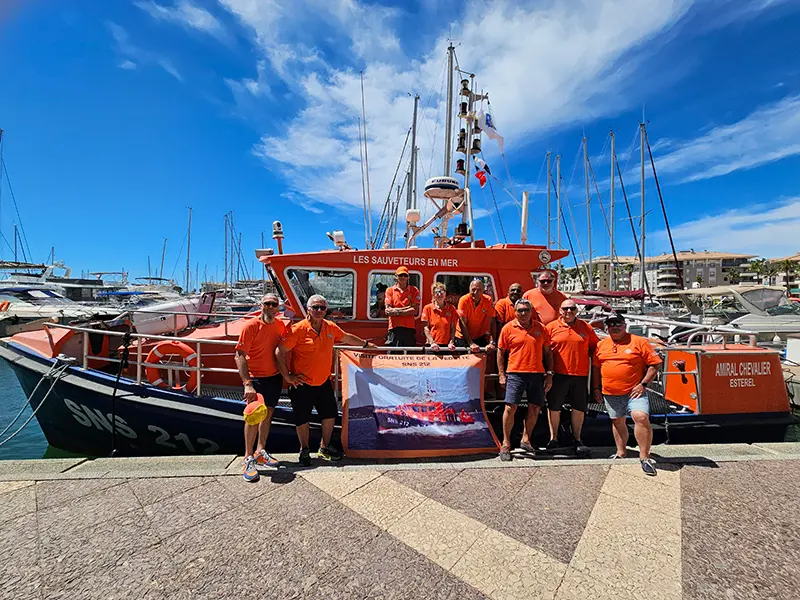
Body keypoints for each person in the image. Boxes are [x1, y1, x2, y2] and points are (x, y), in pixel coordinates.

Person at [276, 294, 374, 466]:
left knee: (329, 416)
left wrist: (365, 345)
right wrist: (288, 376)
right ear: (308, 309)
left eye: (322, 308)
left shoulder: (330, 327)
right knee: (302, 419)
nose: (319, 311)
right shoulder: (298, 329)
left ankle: (324, 447)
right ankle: (304, 449)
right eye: (315, 307)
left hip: (323, 382)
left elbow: (347, 337)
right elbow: (280, 351)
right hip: (302, 384)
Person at [592, 314, 662, 476]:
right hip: (609, 392)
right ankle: (621, 452)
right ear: (606, 328)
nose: (614, 327)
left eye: (618, 324)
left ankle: (645, 457)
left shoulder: (639, 342)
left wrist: (643, 384)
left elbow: (655, 364)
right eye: (610, 325)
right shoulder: (601, 345)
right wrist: (596, 388)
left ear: (625, 325)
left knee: (641, 417)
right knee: (617, 421)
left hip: (634, 391)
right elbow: (596, 368)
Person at [235, 293, 285, 482]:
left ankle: (260, 451)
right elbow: (239, 355)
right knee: (253, 416)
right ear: (261, 305)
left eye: (274, 304)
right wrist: (247, 383)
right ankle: (248, 457)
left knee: (268, 414)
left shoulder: (280, 325)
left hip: (273, 378)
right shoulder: (251, 326)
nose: (271, 307)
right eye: (267, 303)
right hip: (255, 379)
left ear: (278, 307)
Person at [497, 298, 553, 461]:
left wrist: (549, 374)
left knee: (535, 408)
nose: (523, 313)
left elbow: (548, 353)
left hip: (537, 374)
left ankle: (526, 440)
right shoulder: (508, 328)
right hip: (515, 373)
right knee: (510, 408)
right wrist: (502, 374)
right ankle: (506, 443)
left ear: (531, 312)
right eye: (520, 310)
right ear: (515, 312)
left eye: (526, 310)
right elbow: (501, 352)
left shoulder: (541, 328)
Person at [545, 298, 599, 455]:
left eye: (572, 309)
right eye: (566, 308)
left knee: (579, 408)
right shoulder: (551, 327)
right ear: (560, 310)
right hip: (558, 374)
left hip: (580, 375)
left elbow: (595, 348)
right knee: (554, 407)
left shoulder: (585, 327)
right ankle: (553, 439)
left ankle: (577, 438)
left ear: (576, 310)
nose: (569, 311)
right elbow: (545, 350)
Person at [456, 278, 497, 352]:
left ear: (483, 291)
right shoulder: (463, 300)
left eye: (479, 290)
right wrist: (471, 343)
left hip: (479, 336)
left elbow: (492, 321)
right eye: (473, 289)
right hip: (463, 337)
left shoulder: (488, 300)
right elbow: (462, 323)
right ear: (469, 289)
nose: (475, 292)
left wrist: (492, 342)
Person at [384, 267, 421, 347]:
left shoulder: (414, 290)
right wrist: (407, 308)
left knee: (409, 357)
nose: (403, 277)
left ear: (408, 277)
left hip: (409, 328)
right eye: (400, 275)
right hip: (394, 328)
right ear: (396, 276)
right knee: (392, 356)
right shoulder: (390, 290)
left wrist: (396, 311)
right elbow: (388, 311)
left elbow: (414, 311)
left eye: (405, 275)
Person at [421, 282, 457, 351]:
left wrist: (451, 342)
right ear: (433, 294)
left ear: (445, 294)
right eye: (437, 292)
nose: (440, 294)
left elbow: (453, 328)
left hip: (447, 347)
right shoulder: (427, 308)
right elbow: (426, 328)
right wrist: (432, 342)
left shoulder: (452, 309)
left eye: (442, 291)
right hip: (431, 346)